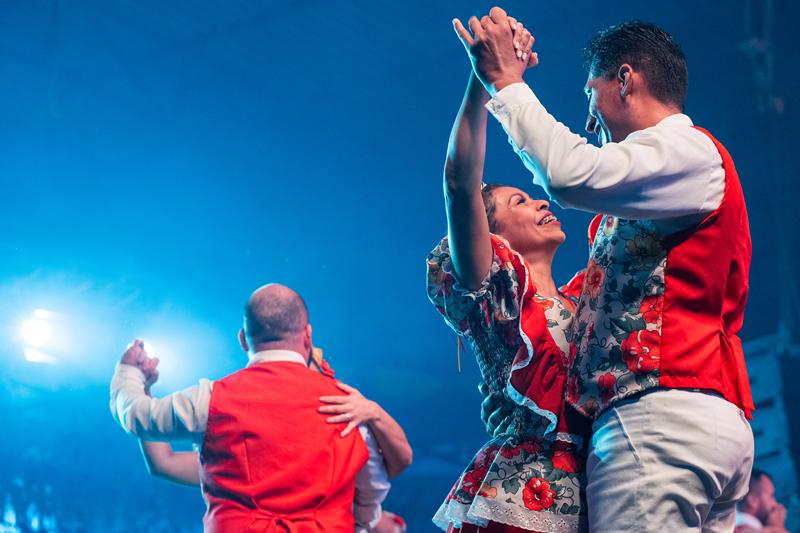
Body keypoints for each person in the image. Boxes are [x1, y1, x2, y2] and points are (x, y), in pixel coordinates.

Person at [453, 7, 755, 532]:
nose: (590, 123)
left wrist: (502, 79)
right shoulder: (567, 288)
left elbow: (569, 174)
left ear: (625, 80)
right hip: (681, 420)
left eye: (590, 97)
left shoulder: (687, 150)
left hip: (660, 419)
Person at [426, 21, 590, 532]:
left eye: (534, 194)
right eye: (520, 200)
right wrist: (486, 76)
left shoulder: (585, 300)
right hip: (525, 499)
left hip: (599, 489)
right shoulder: (493, 292)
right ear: (490, 233)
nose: (540, 200)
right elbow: (459, 182)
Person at [110, 283, 391, 532]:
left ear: (243, 338)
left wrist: (131, 374)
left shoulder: (211, 401)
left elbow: (137, 416)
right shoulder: (348, 407)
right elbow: (374, 486)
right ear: (307, 336)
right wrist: (362, 523)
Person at [135, 347, 412, 532]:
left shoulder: (343, 432)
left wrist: (372, 412)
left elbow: (399, 463)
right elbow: (164, 463)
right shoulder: (236, 451)